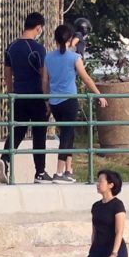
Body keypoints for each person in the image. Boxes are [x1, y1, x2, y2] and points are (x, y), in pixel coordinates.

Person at [44, 24, 106, 182]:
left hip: (55, 102)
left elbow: (45, 80)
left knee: (68, 134)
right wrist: (99, 95)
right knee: (66, 135)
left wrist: (46, 100)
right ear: (70, 39)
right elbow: (86, 78)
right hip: (69, 101)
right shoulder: (74, 58)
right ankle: (58, 172)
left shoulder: (49, 57)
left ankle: (68, 170)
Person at [0, 10, 51, 185]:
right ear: (38, 28)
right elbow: (44, 76)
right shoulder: (37, 49)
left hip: (19, 96)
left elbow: (7, 74)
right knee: (39, 134)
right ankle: (40, 172)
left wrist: (11, 92)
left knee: (17, 131)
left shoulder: (11, 47)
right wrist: (47, 98)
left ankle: (5, 159)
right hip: (35, 96)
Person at [82, 169, 129, 257]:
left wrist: (114, 253)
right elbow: (94, 231)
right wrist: (92, 250)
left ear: (111, 185)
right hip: (97, 250)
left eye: (101, 181)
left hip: (113, 249)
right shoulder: (96, 206)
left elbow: (119, 232)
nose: (98, 184)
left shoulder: (117, 205)